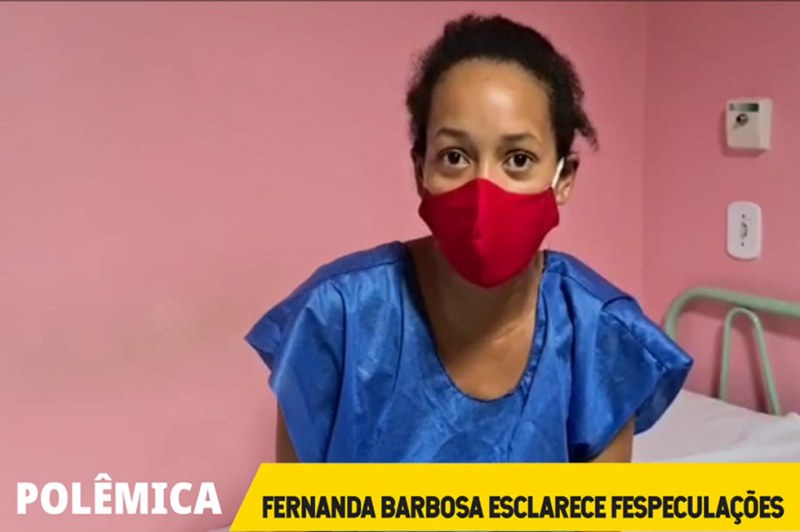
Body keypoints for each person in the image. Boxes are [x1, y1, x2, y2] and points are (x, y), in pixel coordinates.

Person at [246, 13, 693, 464]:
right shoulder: (336, 316)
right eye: (455, 156)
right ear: (420, 171)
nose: (483, 190)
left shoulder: (600, 336)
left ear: (563, 178)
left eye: (518, 159)